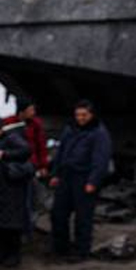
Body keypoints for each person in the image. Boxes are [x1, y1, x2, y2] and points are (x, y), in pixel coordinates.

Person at [50, 100, 113, 261]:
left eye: (84, 115)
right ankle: (60, 248)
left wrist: (93, 181)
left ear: (91, 115)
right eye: (78, 114)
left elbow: (101, 160)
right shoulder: (70, 129)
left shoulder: (99, 133)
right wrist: (55, 174)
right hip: (66, 176)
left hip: (84, 177)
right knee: (58, 213)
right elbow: (60, 152)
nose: (80, 118)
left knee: (83, 217)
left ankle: (81, 251)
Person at [0, 115, 34, 267]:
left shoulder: (11, 139)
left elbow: (26, 150)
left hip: (11, 191)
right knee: (0, 225)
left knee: (12, 225)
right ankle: (3, 253)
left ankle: (13, 255)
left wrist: (4, 154)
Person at [5, 97, 50, 177]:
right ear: (22, 112)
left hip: (32, 166)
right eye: (31, 110)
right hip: (13, 166)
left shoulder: (36, 124)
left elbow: (41, 146)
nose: (34, 113)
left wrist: (43, 166)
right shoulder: (8, 123)